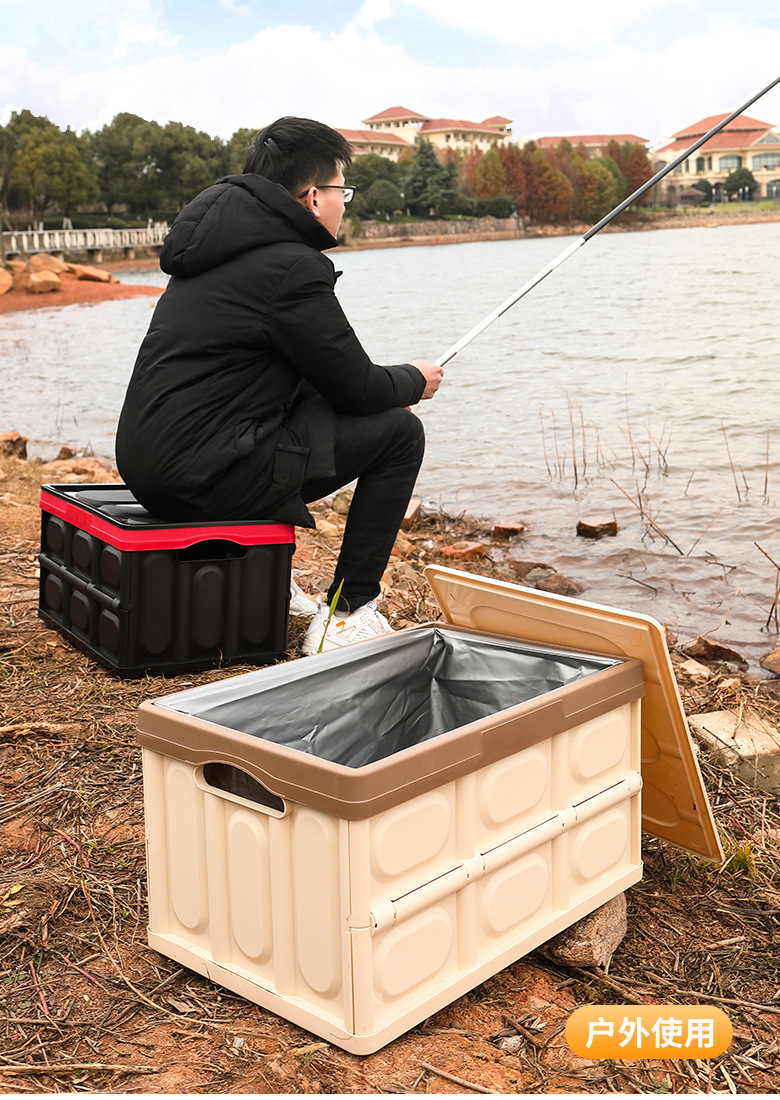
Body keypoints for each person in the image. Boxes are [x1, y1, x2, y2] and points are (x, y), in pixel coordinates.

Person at [115, 116, 444, 655]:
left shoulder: (214, 255)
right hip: (201, 480)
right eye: (343, 190)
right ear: (313, 197)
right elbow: (359, 388)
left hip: (152, 468)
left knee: (307, 406)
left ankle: (268, 580)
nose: (345, 202)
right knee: (400, 434)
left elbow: (321, 380)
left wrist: (380, 383)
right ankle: (347, 613)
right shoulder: (292, 266)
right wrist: (414, 378)